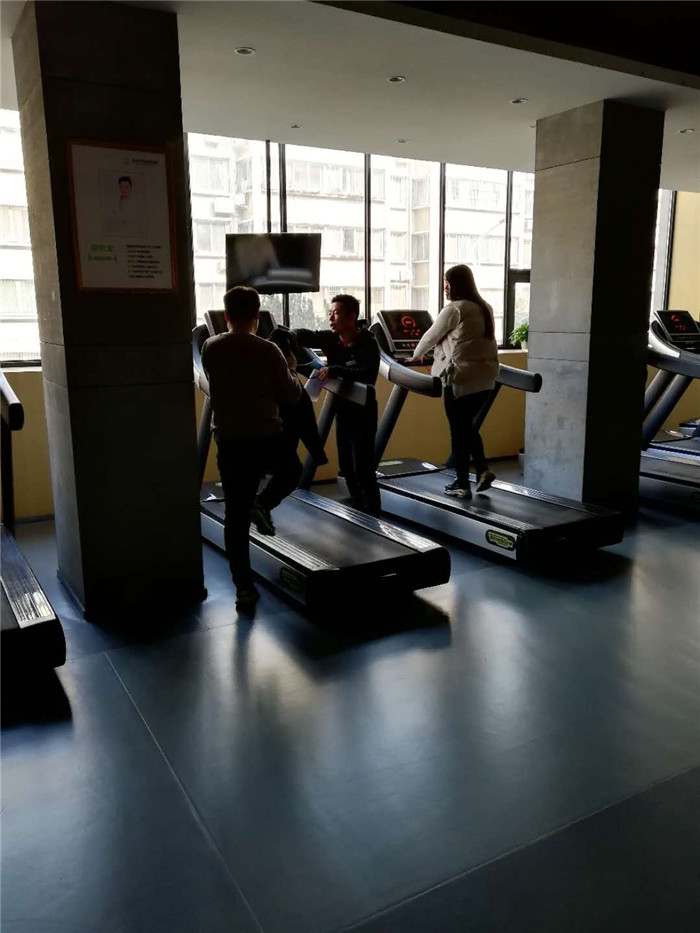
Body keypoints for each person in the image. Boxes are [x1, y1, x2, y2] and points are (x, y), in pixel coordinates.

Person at [201, 286, 302, 610]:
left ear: (226, 316)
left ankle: (243, 589)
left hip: (230, 440)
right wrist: (291, 368)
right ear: (257, 316)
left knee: (235, 515)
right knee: (292, 471)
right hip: (266, 436)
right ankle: (262, 503)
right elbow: (291, 395)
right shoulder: (269, 350)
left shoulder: (211, 346)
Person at [406, 264, 499, 500]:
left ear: (457, 285)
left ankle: (462, 484)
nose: (445, 288)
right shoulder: (485, 307)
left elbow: (430, 336)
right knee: (467, 427)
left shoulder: (454, 309)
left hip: (460, 380)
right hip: (486, 380)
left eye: (447, 284)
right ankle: (482, 469)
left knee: (458, 432)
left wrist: (416, 356)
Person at [294, 295, 381, 516]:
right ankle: (358, 509)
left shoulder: (368, 343)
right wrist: (286, 336)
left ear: (351, 317)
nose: (331, 317)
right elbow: (304, 335)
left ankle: (373, 514)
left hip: (363, 412)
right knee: (346, 467)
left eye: (336, 313)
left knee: (363, 469)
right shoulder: (331, 338)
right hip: (342, 412)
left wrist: (335, 370)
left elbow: (367, 374)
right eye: (330, 313)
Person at [268, 328, 328, 467]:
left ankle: (317, 454)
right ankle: (318, 454)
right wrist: (292, 367)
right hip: (283, 417)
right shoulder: (286, 374)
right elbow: (295, 395)